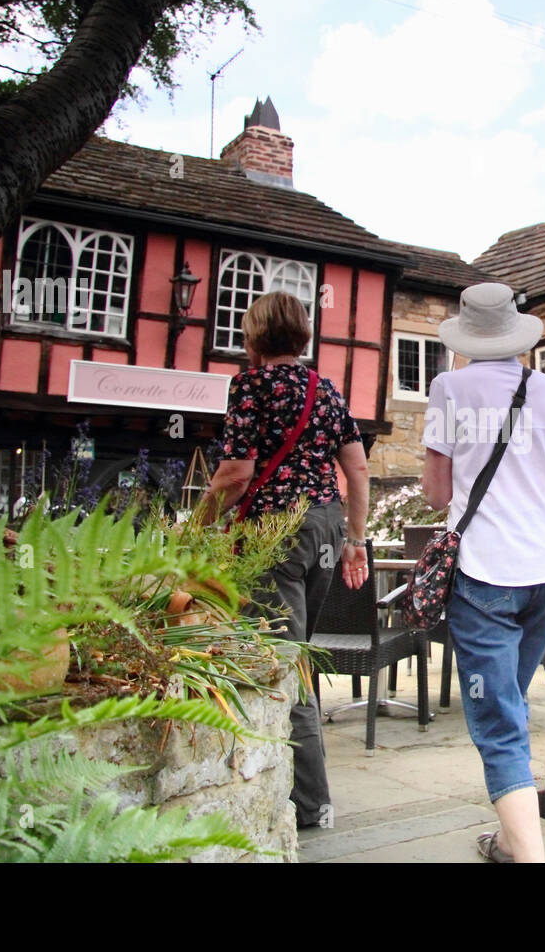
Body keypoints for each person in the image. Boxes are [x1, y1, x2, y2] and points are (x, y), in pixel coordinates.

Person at [195, 290, 370, 828]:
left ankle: (309, 802)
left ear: (255, 336)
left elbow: (235, 474)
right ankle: (293, 785)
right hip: (323, 526)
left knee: (281, 664)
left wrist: (194, 532)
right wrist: (355, 540)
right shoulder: (325, 388)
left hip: (275, 533)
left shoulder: (251, 385)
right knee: (297, 657)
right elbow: (358, 471)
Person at [421, 282, 545, 863]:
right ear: (516, 334)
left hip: (485, 576)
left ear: (467, 336)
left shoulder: (449, 388)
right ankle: (510, 844)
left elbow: (438, 495)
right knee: (508, 699)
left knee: (499, 722)